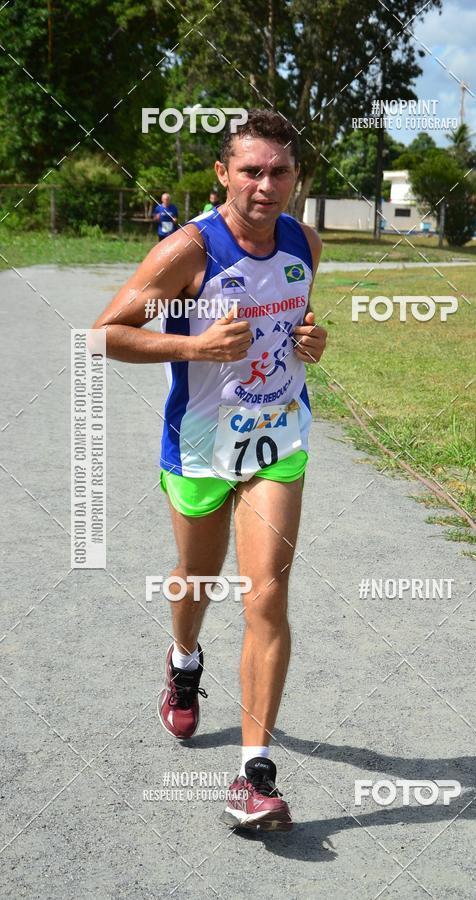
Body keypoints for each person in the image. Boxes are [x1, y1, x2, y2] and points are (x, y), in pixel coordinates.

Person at [92, 108, 327, 832]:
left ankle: (255, 775)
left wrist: (311, 339)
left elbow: (293, 319)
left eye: (279, 171)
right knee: (198, 578)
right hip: (200, 445)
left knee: (267, 594)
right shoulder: (188, 252)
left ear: (296, 178)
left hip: (277, 438)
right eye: (250, 170)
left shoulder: (305, 241)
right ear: (222, 173)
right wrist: (193, 349)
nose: (265, 184)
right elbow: (107, 336)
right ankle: (185, 659)